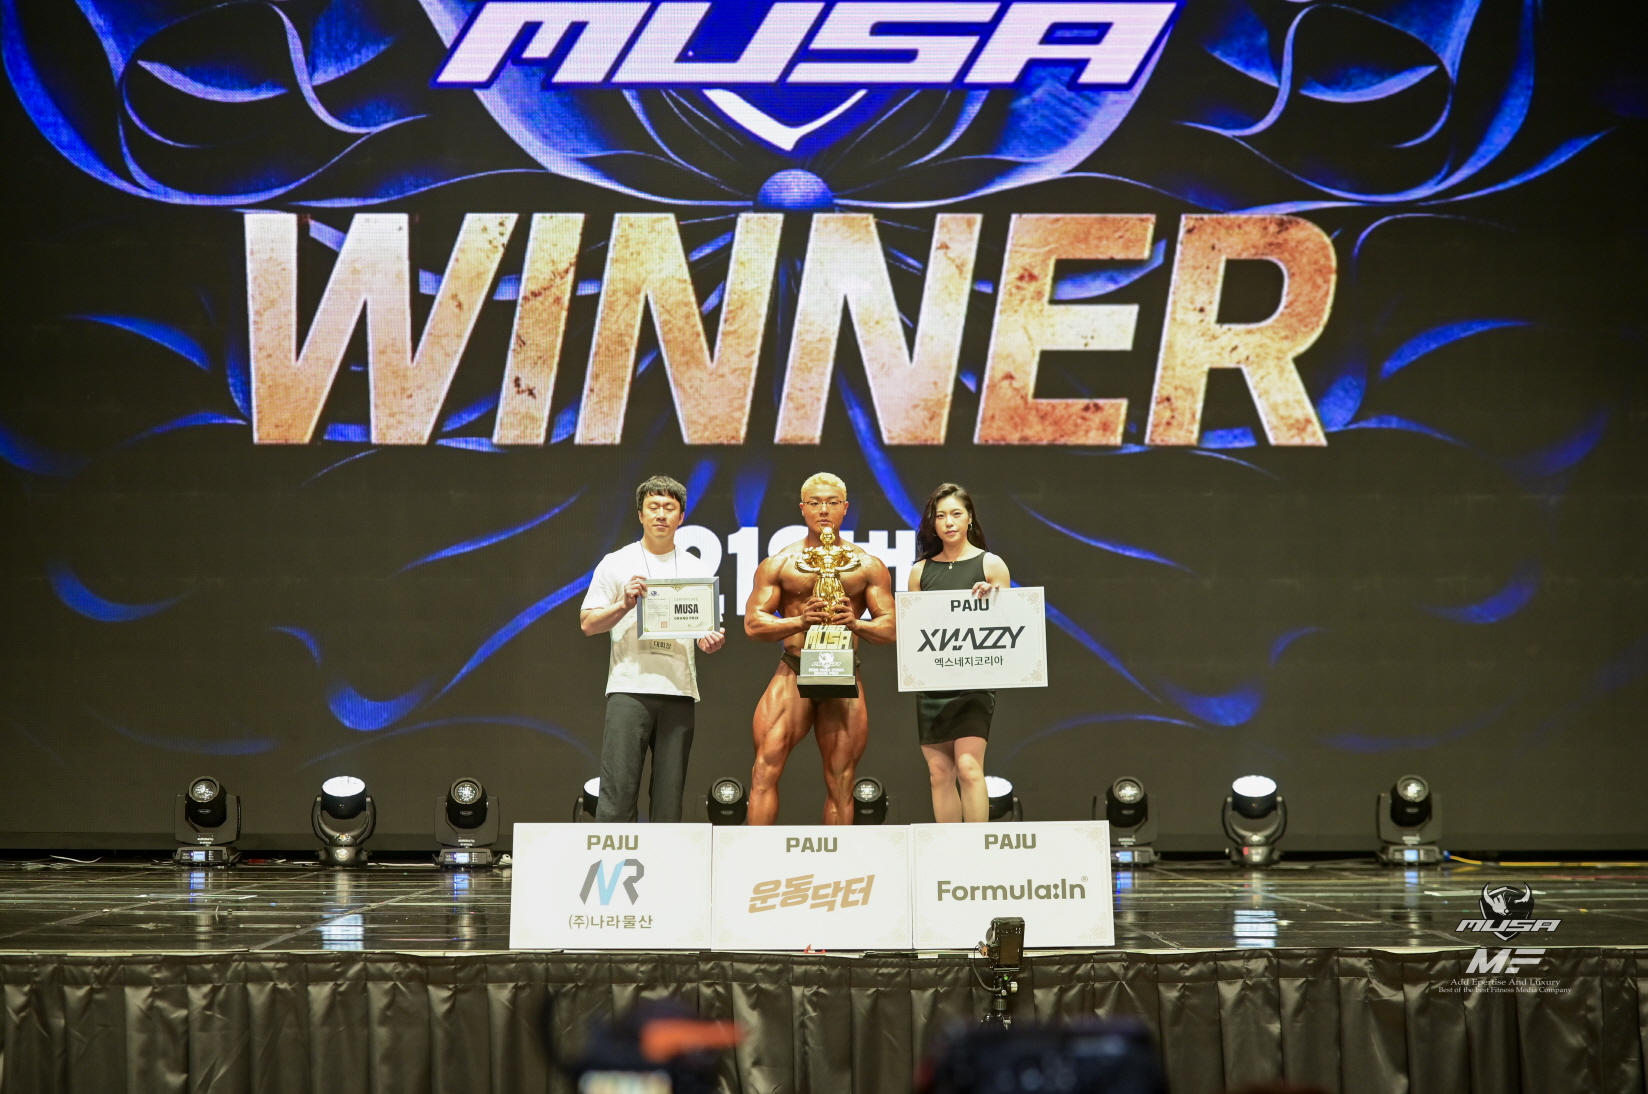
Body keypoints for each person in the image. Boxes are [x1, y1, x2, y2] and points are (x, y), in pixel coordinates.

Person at [744, 473, 896, 824]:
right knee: (765, 767)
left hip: (843, 672)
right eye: (814, 503)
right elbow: (753, 624)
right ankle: (754, 853)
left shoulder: (867, 565)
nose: (823, 510)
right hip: (795, 667)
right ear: (802, 509)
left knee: (842, 779)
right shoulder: (781, 562)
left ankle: (837, 857)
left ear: (845, 508)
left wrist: (856, 624)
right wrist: (799, 622)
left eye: (831, 502)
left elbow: (890, 628)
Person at [580, 475, 726, 821]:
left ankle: (666, 857)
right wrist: (623, 605)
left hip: (678, 690)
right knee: (617, 793)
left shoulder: (697, 568)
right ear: (641, 514)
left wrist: (710, 641)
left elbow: (706, 631)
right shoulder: (616, 562)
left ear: (681, 517)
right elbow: (588, 624)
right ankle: (614, 854)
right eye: (653, 507)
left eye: (669, 508)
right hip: (629, 687)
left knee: (669, 798)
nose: (661, 514)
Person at [909, 483, 1010, 823]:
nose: (949, 522)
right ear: (933, 523)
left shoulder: (991, 565)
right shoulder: (920, 571)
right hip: (933, 683)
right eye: (941, 516)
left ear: (970, 519)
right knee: (939, 772)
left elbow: (1010, 627)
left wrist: (994, 597)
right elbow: (914, 632)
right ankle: (948, 848)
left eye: (956, 514)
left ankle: (976, 848)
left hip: (974, 681)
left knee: (968, 767)